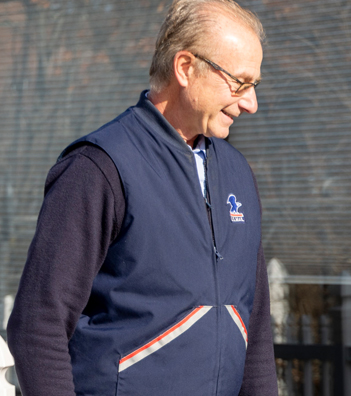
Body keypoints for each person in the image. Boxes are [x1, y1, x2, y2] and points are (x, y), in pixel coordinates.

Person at [7, 1, 277, 395]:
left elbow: (255, 326)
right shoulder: (100, 168)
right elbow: (37, 326)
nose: (251, 103)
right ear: (185, 68)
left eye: (254, 85)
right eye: (239, 83)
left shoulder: (237, 173)